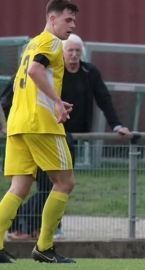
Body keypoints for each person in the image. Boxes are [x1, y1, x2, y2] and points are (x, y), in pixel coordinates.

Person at [6, 33, 131, 240]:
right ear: (61, 52)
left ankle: (36, 228)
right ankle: (32, 230)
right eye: (69, 50)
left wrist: (116, 125)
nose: (73, 55)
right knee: (53, 185)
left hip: (65, 132)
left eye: (77, 51)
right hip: (44, 129)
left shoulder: (89, 72)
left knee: (41, 186)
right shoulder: (47, 66)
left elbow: (104, 99)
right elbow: (16, 88)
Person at [0, 0, 79, 264]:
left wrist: (55, 97)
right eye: (68, 20)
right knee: (65, 182)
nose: (73, 25)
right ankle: (44, 247)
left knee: (19, 187)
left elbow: (30, 76)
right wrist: (56, 102)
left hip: (18, 124)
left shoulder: (31, 44)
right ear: (53, 18)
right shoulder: (51, 42)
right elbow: (35, 71)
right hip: (41, 125)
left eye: (74, 21)